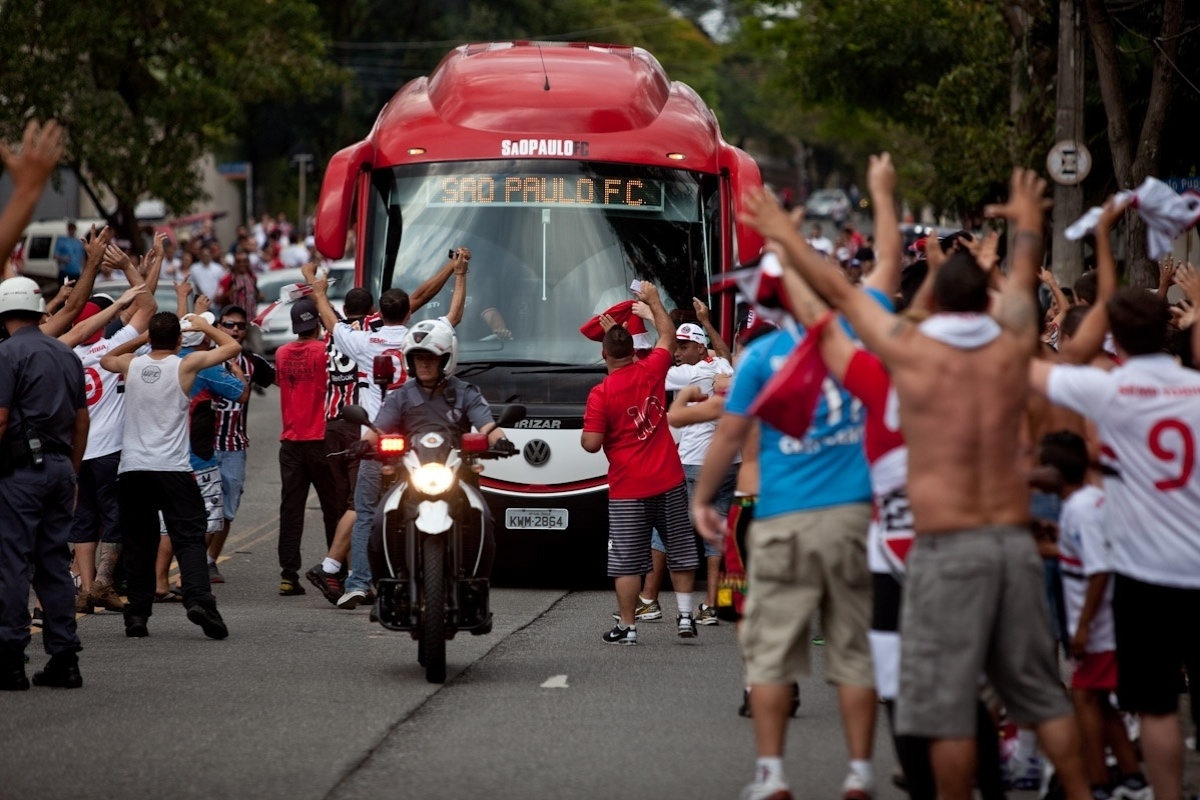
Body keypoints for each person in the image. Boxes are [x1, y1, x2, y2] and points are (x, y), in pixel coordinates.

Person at [741, 166, 1091, 800]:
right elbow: (1020, 286)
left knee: (950, 707)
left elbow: (840, 299)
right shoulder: (1014, 343)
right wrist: (1030, 221)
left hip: (947, 547)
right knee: (1042, 697)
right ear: (983, 299)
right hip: (1013, 541)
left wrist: (786, 243)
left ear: (933, 302)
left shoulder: (911, 352)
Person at [694, 154, 901, 800]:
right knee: (853, 652)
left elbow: (729, 434)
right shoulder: (864, 327)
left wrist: (704, 497)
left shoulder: (761, 357)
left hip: (780, 515)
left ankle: (772, 772)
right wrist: (882, 194)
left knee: (770, 651)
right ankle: (860, 773)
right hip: (853, 518)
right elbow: (889, 261)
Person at [1030, 283, 1200, 800]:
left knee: (1156, 705)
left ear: (1113, 337)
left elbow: (1028, 364)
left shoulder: (1109, 390)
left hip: (1143, 572)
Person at [306, 251, 468, 609]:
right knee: (434, 500)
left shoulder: (363, 341)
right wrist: (459, 274)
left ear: (381, 312)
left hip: (376, 437)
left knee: (365, 511)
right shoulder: (420, 338)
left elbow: (331, 322)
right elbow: (454, 316)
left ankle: (358, 582)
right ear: (408, 312)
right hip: (416, 438)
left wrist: (318, 290)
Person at [100, 312, 240, 640]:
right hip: (173, 469)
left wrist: (139, 340)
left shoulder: (131, 365)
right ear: (179, 340)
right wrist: (205, 327)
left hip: (133, 469)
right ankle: (199, 600)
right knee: (189, 537)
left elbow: (108, 359)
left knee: (139, 543)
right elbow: (232, 347)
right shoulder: (184, 365)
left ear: (152, 339)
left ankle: (137, 614)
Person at [582, 281, 701, 645]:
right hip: (669, 477)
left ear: (604, 355)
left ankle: (629, 627)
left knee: (627, 560)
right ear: (633, 350)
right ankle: (684, 616)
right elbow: (666, 333)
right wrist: (652, 300)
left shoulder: (600, 394)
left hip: (628, 488)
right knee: (680, 547)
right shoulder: (652, 370)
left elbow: (591, 444)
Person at [1039, 431, 1150, 800]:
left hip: (1098, 630)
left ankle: (1098, 782)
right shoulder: (1089, 503)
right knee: (1101, 703)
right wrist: (1054, 542)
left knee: (1084, 700)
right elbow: (1084, 555)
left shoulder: (1081, 510)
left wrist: (1084, 627)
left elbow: (1099, 569)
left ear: (1055, 474)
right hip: (1104, 627)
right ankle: (1132, 779)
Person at [364, 319, 514, 587]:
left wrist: (501, 440)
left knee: (486, 520)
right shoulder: (401, 396)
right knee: (379, 521)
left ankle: (477, 583)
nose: (424, 363)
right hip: (410, 476)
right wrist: (364, 443)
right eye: (418, 357)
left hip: (458, 474)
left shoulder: (465, 392)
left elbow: (488, 424)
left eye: (431, 358)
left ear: (445, 359)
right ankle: (384, 586)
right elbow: (377, 428)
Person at [0, 275, 89, 690]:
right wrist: (70, 471)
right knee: (53, 562)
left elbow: (1, 418)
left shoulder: (7, 354)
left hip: (19, 474)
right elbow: (81, 421)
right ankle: (65, 658)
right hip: (58, 469)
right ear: (38, 311)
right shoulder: (65, 354)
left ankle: (11, 660)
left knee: (13, 564)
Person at [307, 287, 375, 603]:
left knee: (344, 504)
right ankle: (332, 567)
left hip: (330, 425)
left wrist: (316, 287)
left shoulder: (331, 335)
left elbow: (326, 315)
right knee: (358, 503)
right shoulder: (369, 332)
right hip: (355, 425)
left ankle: (351, 577)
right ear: (372, 310)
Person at [274, 297, 340, 596]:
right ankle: (337, 569)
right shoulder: (325, 352)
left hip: (290, 442)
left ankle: (288, 575)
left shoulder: (281, 353)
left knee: (291, 509)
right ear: (317, 323)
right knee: (333, 508)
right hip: (320, 440)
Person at [209, 304, 275, 582]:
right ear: (217, 328)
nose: (235, 330)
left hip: (235, 445)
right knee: (200, 506)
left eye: (240, 326)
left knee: (228, 506)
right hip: (204, 446)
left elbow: (285, 380)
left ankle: (210, 560)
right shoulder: (203, 358)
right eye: (228, 325)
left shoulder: (253, 363)